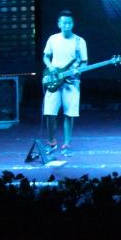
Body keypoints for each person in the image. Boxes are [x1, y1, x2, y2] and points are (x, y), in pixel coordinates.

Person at [42, 9, 87, 157]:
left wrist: (78, 70)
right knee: (49, 113)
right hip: (54, 80)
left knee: (69, 114)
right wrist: (50, 67)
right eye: (64, 23)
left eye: (69, 23)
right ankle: (51, 141)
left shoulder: (80, 41)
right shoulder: (53, 39)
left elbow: (84, 62)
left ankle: (67, 144)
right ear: (59, 24)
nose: (66, 25)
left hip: (71, 83)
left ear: (73, 24)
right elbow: (46, 57)